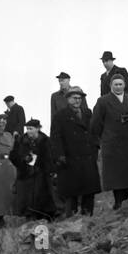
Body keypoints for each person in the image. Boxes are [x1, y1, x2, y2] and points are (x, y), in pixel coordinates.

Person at [90, 75, 128, 210]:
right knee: (116, 175)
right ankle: (118, 202)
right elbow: (95, 123)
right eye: (115, 84)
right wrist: (107, 134)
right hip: (112, 144)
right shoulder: (102, 101)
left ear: (124, 85)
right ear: (110, 86)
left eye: (120, 84)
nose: (118, 87)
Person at [50, 87, 101, 217]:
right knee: (71, 193)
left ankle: (88, 217)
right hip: (70, 158)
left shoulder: (88, 113)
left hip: (88, 157)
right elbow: (56, 138)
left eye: (79, 98)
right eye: (74, 98)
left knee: (89, 191)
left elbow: (94, 131)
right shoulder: (60, 116)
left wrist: (95, 147)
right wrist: (60, 156)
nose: (77, 101)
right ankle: (71, 219)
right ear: (68, 99)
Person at [10, 119, 57, 220]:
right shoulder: (20, 141)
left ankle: (46, 217)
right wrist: (23, 160)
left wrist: (50, 170)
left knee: (44, 199)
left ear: (38, 129)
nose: (28, 131)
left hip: (42, 174)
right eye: (27, 129)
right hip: (26, 175)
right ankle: (30, 217)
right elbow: (13, 156)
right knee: (27, 199)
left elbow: (50, 157)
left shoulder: (46, 141)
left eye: (31, 129)